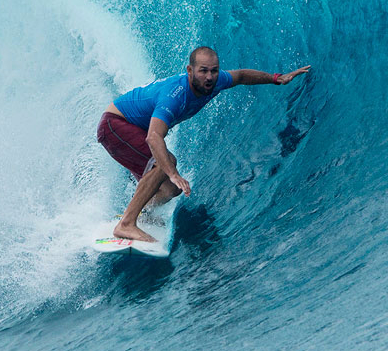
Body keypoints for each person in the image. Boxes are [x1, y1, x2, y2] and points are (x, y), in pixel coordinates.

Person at [96, 46, 311, 242]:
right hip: (115, 125)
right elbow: (153, 137)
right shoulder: (175, 95)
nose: (209, 77)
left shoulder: (216, 81)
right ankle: (126, 224)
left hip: (132, 128)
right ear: (190, 70)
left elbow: (242, 75)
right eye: (203, 71)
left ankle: (140, 215)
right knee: (166, 163)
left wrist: (276, 78)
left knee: (171, 190)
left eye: (214, 71)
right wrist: (172, 172)